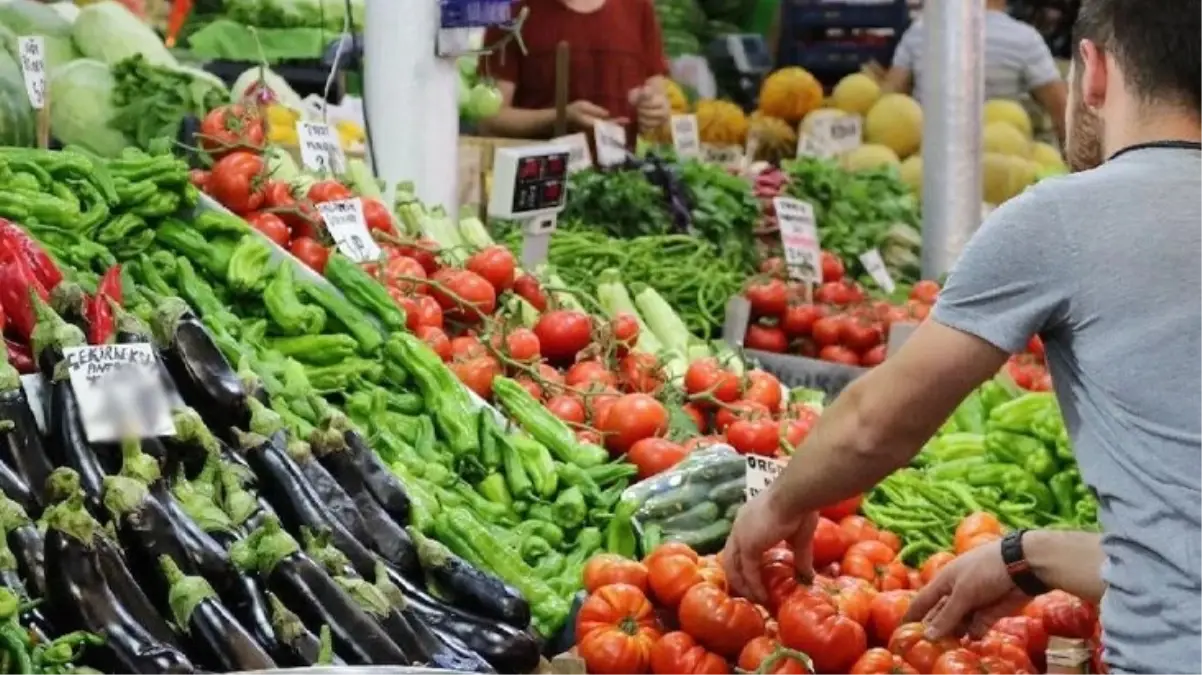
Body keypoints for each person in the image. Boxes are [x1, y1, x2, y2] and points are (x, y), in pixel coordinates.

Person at [721, 0, 1202, 671]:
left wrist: (780, 501)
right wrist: (1026, 556)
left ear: (1092, 72)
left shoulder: (1063, 216)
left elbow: (873, 426)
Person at [476, 0, 672, 143]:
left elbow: (657, 99)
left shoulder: (639, 8)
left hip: (622, 179)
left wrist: (653, 109)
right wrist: (560, 117)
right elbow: (490, 118)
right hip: (541, 180)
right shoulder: (510, 12)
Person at [883, 0, 1069, 142]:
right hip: (1002, 156)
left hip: (930, 157)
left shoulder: (920, 31)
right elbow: (1062, 111)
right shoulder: (1024, 39)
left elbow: (887, 101)